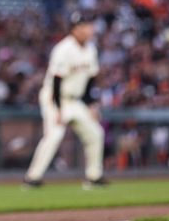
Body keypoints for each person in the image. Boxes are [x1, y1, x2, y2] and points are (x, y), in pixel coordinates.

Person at [23, 11, 107, 189]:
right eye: (84, 25)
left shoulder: (91, 48)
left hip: (75, 100)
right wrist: (58, 109)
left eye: (89, 25)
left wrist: (91, 104)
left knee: (95, 134)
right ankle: (32, 178)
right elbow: (56, 81)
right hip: (55, 97)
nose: (89, 28)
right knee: (54, 135)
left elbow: (90, 80)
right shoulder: (63, 49)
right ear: (75, 29)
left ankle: (94, 176)